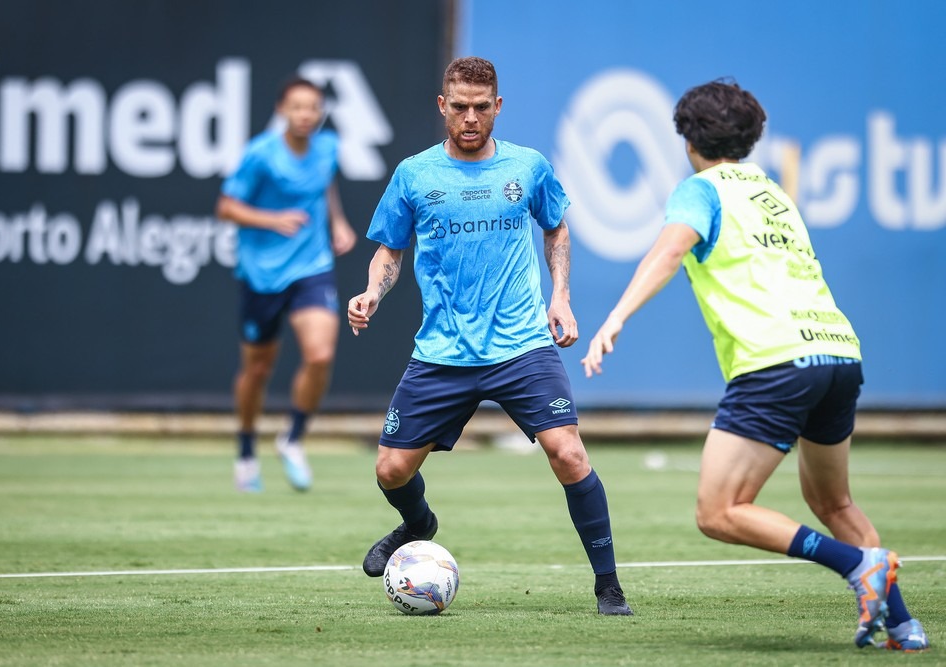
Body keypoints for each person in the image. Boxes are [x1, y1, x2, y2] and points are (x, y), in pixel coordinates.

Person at [581, 79, 928, 650]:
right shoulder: (773, 192)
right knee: (833, 501)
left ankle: (854, 564)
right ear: (751, 138)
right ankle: (904, 624)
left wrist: (616, 317)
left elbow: (669, 250)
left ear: (687, 138)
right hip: (838, 352)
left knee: (719, 512)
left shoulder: (700, 189)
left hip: (778, 361)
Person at [347, 56, 632, 616]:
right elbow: (390, 249)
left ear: (497, 106)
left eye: (482, 107)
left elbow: (556, 227)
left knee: (569, 454)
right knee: (390, 470)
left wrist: (561, 297)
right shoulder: (414, 173)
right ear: (442, 107)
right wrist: (372, 293)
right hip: (443, 351)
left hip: (521, 343)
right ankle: (418, 522)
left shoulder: (529, 167)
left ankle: (609, 587)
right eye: (460, 107)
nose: (471, 118)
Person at [217, 77, 356, 493]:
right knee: (257, 369)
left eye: (312, 107)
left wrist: (338, 221)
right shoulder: (260, 155)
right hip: (262, 274)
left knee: (320, 354)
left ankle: (292, 438)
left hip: (311, 266)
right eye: (296, 107)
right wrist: (273, 220)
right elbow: (226, 207)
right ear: (282, 110)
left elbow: (325, 185)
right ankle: (245, 451)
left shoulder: (328, 148)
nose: (305, 114)